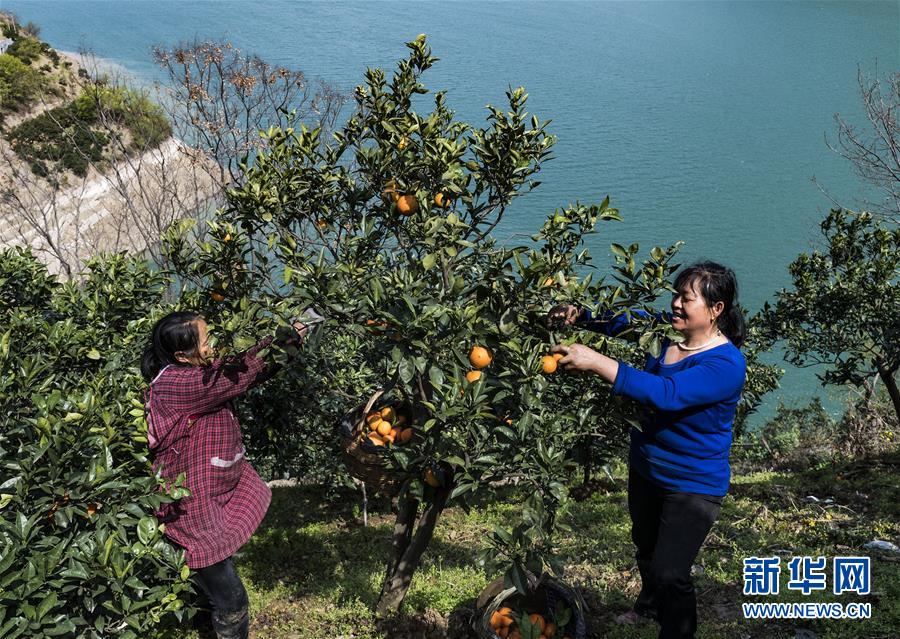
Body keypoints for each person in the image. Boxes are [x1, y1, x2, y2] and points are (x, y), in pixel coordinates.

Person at [547, 261, 747, 639]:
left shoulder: (726, 364)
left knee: (671, 573)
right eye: (675, 295)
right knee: (646, 546)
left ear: (715, 309)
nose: (675, 304)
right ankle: (649, 604)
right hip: (646, 467)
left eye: (686, 299)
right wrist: (580, 316)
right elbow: (619, 322)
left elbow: (666, 395)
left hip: (692, 484)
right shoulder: (665, 332)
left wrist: (596, 361)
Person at [140, 312, 309, 639]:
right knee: (232, 600)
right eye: (206, 341)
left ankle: (203, 626)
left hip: (205, 493)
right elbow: (236, 375)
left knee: (208, 590)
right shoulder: (178, 384)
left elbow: (246, 373)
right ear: (181, 355)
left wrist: (288, 344)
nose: (213, 344)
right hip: (192, 509)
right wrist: (281, 338)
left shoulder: (195, 372)